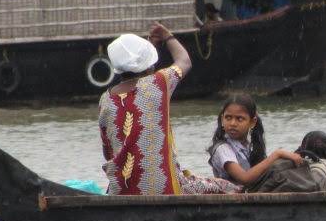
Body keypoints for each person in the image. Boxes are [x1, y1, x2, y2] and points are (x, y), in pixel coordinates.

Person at [98, 23, 239, 195]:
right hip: (167, 190)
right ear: (149, 66)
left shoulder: (105, 100)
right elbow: (184, 61)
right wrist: (167, 35)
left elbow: (109, 153)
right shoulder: (159, 83)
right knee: (226, 186)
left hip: (120, 191)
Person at [207, 93, 305, 187]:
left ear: (252, 122)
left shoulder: (248, 146)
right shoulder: (223, 149)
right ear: (222, 119)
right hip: (232, 199)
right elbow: (245, 178)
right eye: (228, 118)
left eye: (239, 119)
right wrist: (277, 154)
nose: (233, 123)